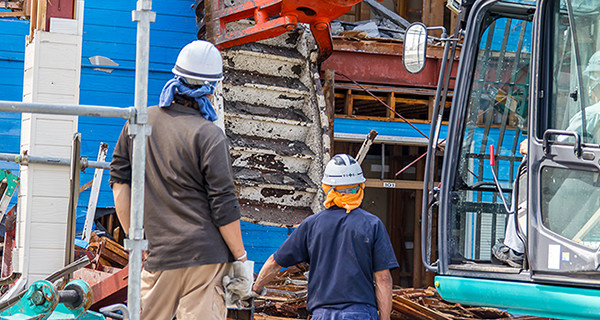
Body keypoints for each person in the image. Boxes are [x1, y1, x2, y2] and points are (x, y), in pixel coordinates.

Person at [110, 40, 251, 320]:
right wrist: (240, 257)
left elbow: (119, 183)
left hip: (160, 254)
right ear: (212, 90)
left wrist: (136, 239)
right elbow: (223, 204)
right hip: (206, 258)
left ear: (175, 77)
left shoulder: (139, 123)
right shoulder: (209, 135)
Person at [252, 154, 399, 320]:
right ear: (360, 186)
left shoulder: (312, 224)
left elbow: (274, 263)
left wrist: (254, 291)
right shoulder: (372, 224)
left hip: (323, 314)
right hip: (360, 313)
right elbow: (384, 279)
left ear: (327, 186)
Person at [493, 50, 600, 267]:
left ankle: (518, 246)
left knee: (529, 167)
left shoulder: (592, 114)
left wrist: (533, 147)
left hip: (587, 184)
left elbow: (559, 146)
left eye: (591, 81)